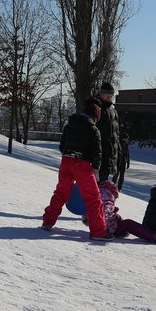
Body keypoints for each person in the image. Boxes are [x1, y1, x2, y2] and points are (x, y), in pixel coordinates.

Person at [40, 98, 111, 240]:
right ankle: (98, 232)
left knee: (61, 193)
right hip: (83, 165)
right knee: (93, 198)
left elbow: (61, 147)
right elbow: (97, 153)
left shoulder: (69, 126)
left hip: (66, 161)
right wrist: (95, 170)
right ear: (95, 115)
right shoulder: (93, 129)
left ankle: (47, 222)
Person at [95, 82, 120, 184]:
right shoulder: (95, 108)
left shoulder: (113, 111)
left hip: (109, 158)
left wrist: (117, 155)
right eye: (106, 95)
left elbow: (116, 135)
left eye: (111, 96)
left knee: (103, 188)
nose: (109, 98)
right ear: (101, 94)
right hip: (98, 157)